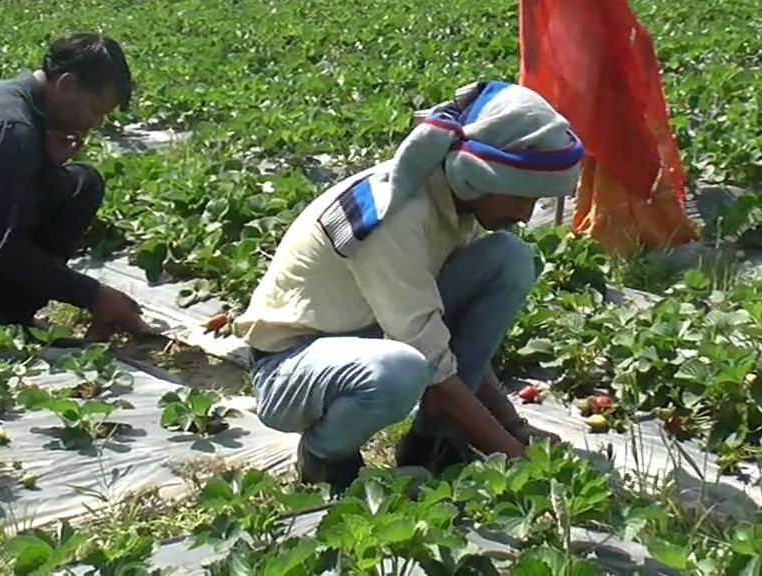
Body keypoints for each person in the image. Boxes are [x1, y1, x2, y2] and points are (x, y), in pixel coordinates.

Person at [233, 80, 582, 495]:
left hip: (371, 336)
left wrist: (512, 427)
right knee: (399, 369)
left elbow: (443, 342)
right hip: (291, 365)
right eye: (519, 197)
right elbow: (430, 361)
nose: (525, 214)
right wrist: (517, 462)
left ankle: (432, 442)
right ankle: (325, 456)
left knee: (510, 259)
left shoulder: (456, 204)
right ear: (478, 177)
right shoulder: (396, 213)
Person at [0, 32, 149, 341]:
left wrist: (45, 164)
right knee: (70, 195)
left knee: (81, 183)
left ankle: (13, 309)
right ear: (66, 85)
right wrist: (94, 295)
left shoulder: (5, 95)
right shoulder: (13, 129)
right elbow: (6, 248)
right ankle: (7, 312)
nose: (95, 123)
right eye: (94, 109)